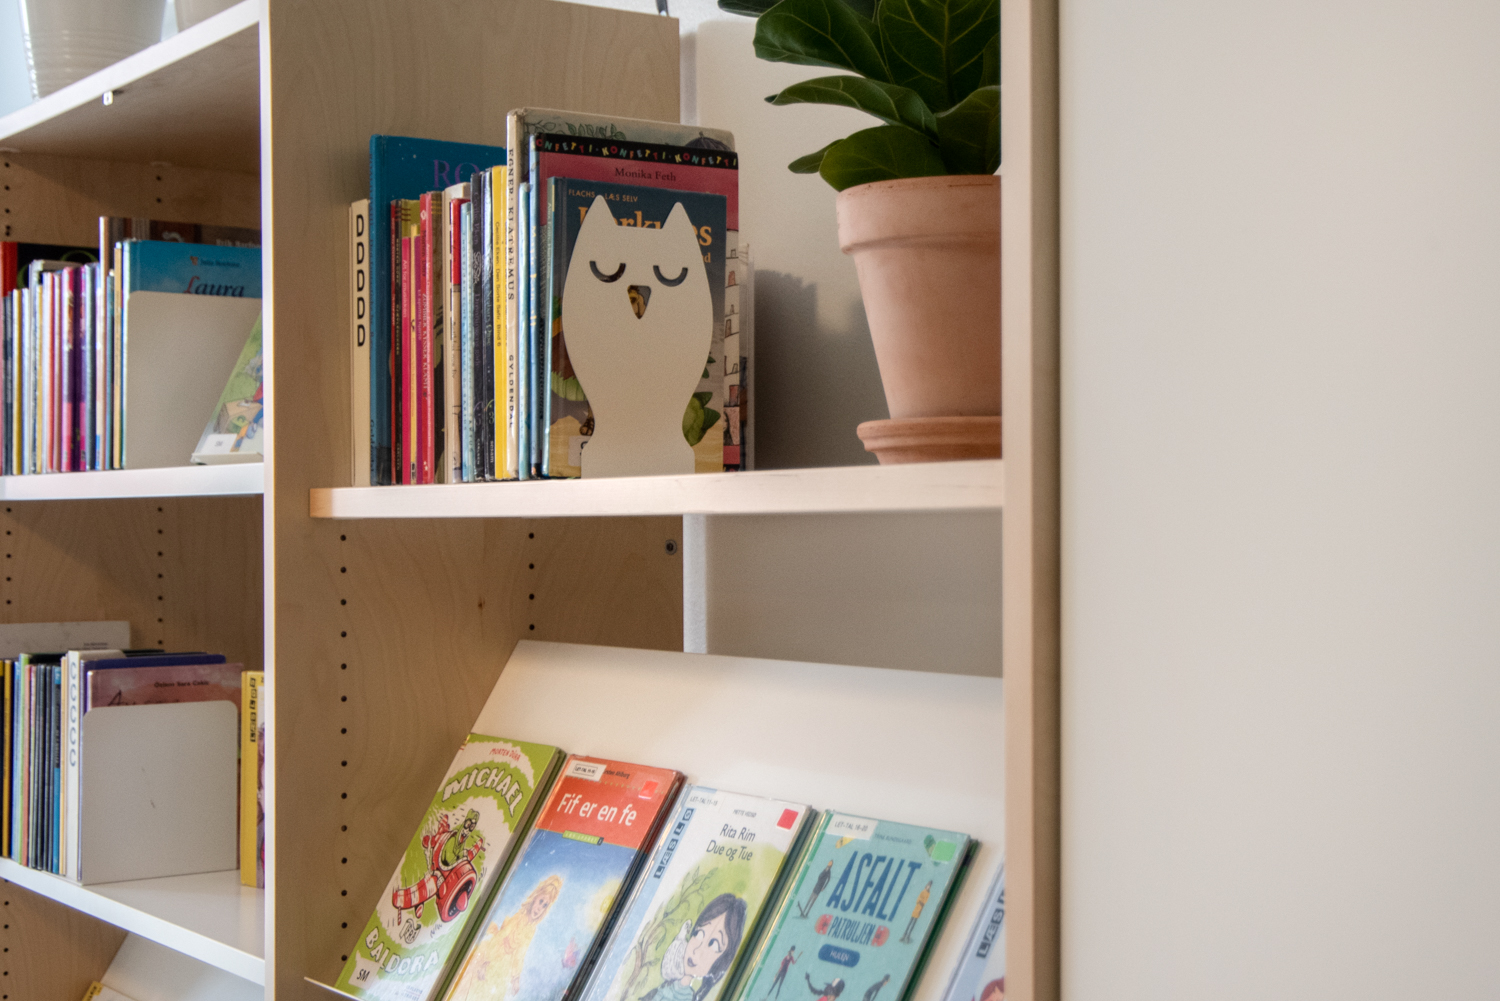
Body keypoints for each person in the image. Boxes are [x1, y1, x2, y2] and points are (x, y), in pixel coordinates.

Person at [447, 874, 564, 1001]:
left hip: (503, 970)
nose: (539, 908)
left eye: (545, 905)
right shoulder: (519, 917)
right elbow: (499, 938)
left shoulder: (532, 930)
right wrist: (485, 962)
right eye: (540, 902)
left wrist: (515, 978)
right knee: (475, 990)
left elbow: (520, 955)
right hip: (493, 957)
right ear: (535, 898)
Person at [645, 893, 749, 1001]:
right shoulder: (661, 989)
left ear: (722, 960)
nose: (697, 950)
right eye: (698, 934)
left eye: (714, 944)